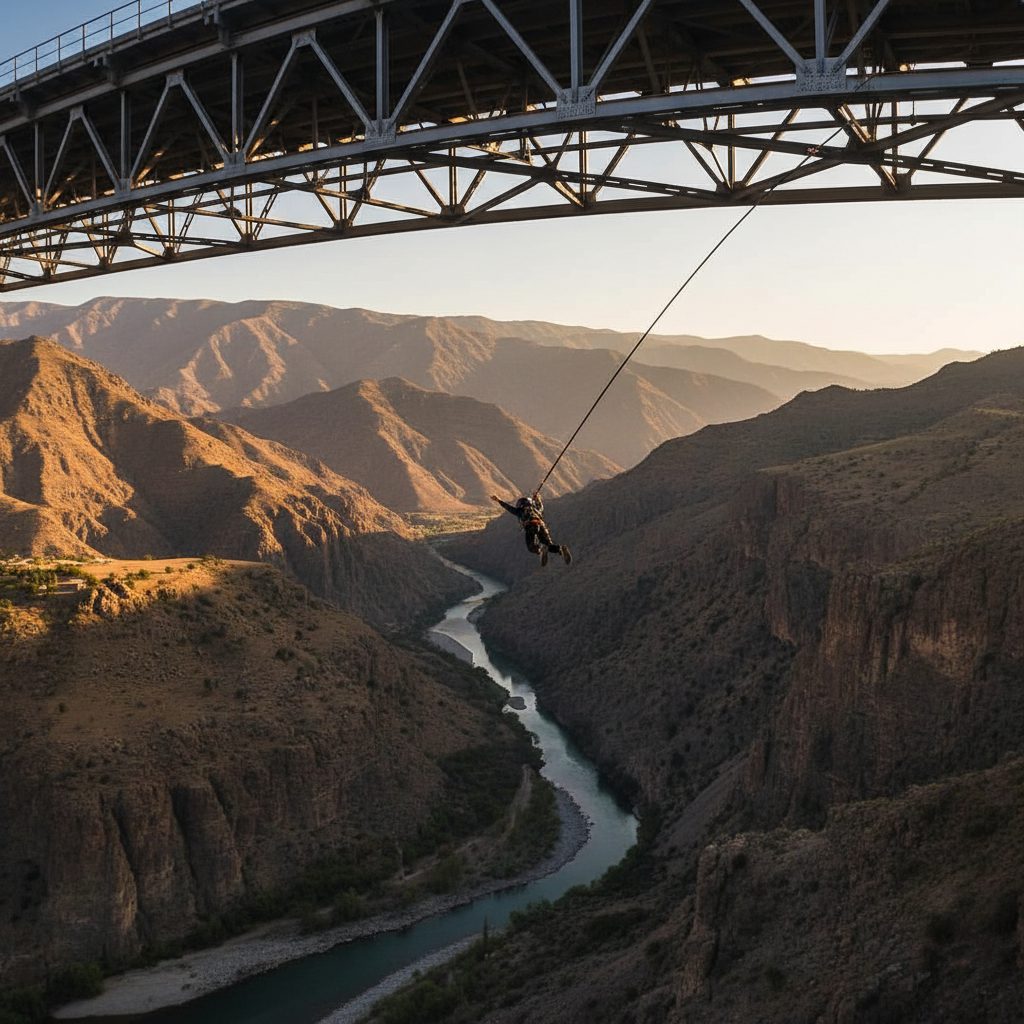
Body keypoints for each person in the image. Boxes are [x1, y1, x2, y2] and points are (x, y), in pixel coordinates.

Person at [490, 491, 572, 566]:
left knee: (531, 547)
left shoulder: (519, 511)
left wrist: (498, 500)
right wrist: (537, 498)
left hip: (530, 526)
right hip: (542, 525)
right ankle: (560, 548)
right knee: (549, 545)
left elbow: (508, 507)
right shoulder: (536, 509)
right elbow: (541, 506)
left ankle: (540, 550)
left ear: (520, 505)